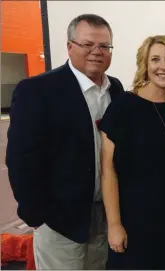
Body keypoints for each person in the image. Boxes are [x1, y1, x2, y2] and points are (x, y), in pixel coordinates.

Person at [6, 14, 124, 269]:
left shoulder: (115, 89)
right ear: (70, 46)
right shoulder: (37, 91)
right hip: (59, 219)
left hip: (104, 216)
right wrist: (37, 216)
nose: (96, 52)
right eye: (87, 44)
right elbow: (20, 159)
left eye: (104, 46)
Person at [99, 35, 165, 269]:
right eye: (155, 59)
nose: (163, 66)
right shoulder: (123, 107)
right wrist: (115, 225)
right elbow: (107, 169)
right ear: (145, 65)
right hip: (134, 223)